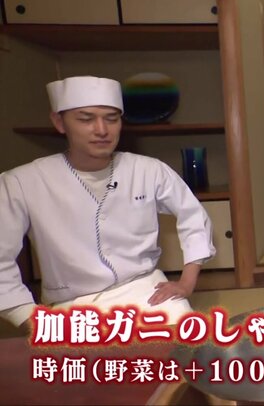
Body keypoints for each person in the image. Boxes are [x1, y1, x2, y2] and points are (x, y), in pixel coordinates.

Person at [0, 76, 216, 329]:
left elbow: (193, 216)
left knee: (183, 345)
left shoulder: (148, 169)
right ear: (59, 122)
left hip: (148, 291)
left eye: (112, 119)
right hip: (71, 303)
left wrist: (187, 282)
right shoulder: (22, 182)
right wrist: (31, 319)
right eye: (86, 119)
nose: (102, 130)